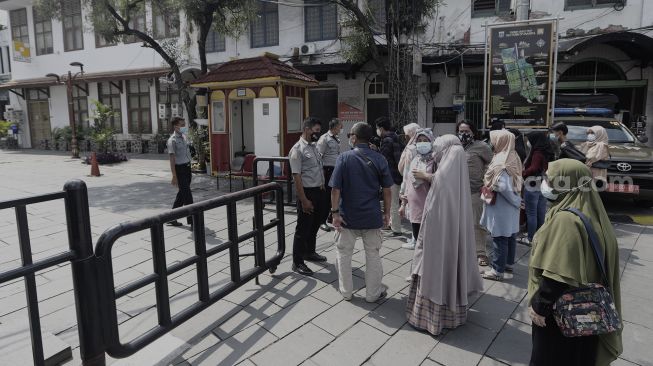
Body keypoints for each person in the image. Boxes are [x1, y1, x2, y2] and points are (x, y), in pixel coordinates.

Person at [528, 159, 622, 366]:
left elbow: (558, 274)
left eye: (550, 180)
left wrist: (540, 306)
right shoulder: (592, 212)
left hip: (562, 314)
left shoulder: (566, 220)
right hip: (586, 313)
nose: (545, 183)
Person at [406, 135, 483, 336]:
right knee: (451, 265)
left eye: (439, 152)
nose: (436, 156)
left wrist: (425, 176)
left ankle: (430, 319)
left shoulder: (447, 170)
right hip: (448, 230)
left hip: (438, 231)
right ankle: (453, 313)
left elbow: (438, 187)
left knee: (435, 265)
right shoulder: (455, 167)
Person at [330, 122, 394, 302]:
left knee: (343, 254)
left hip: (346, 217)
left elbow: (335, 190)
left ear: (354, 138)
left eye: (350, 134)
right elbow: (387, 190)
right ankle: (372, 295)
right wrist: (387, 213)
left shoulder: (344, 158)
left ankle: (346, 292)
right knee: (373, 255)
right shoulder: (379, 158)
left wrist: (335, 213)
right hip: (371, 215)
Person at [480, 130, 523, 281]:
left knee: (499, 237)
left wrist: (515, 201)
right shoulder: (513, 155)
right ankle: (508, 264)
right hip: (510, 206)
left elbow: (502, 186)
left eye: (494, 140)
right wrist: (517, 201)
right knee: (510, 235)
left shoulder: (501, 160)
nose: (492, 143)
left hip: (502, 205)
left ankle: (497, 270)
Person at [289, 117, 328, 276]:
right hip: (307, 193)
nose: (317, 134)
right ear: (307, 128)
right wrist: (304, 199)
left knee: (315, 224)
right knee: (303, 228)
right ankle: (297, 262)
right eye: (315, 131)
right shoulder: (297, 149)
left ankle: (309, 252)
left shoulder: (313, 147)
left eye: (319, 131)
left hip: (319, 191)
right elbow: (296, 177)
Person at [456, 121, 493, 266]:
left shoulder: (482, 147)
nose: (463, 134)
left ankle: (480, 253)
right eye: (460, 131)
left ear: (473, 132)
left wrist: (485, 181)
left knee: (476, 224)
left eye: (466, 131)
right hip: (457, 190)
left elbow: (491, 165)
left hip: (475, 191)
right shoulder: (456, 147)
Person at [399, 129, 435, 250]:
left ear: (431, 142)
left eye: (425, 140)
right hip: (415, 207)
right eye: (419, 140)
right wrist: (403, 203)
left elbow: (442, 180)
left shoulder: (436, 160)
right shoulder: (415, 159)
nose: (422, 143)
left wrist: (426, 176)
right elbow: (407, 181)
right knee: (417, 238)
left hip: (430, 207)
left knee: (429, 241)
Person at [522, 131, 555, 245]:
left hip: (532, 183)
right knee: (540, 211)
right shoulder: (547, 151)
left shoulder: (537, 153)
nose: (528, 143)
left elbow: (533, 168)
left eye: (529, 140)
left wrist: (523, 173)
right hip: (543, 182)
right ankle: (540, 236)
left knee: (531, 213)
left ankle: (531, 238)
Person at [375, 117, 404, 237]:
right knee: (394, 201)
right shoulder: (395, 137)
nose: (377, 131)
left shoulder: (387, 140)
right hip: (397, 174)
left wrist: (375, 151)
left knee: (392, 203)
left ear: (381, 128)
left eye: (377, 128)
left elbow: (384, 159)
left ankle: (396, 230)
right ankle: (392, 224)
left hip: (391, 175)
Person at [316, 118, 343, 232]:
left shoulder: (336, 138)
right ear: (334, 127)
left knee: (335, 195)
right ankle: (321, 221)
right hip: (327, 170)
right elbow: (318, 156)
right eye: (339, 126)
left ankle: (330, 216)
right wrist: (321, 173)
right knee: (327, 196)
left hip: (335, 169)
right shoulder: (324, 139)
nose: (341, 128)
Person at [167, 117, 194, 227]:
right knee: (188, 196)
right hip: (180, 169)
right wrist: (174, 176)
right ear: (175, 126)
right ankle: (193, 221)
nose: (184, 127)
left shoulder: (184, 136)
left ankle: (171, 217)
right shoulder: (172, 140)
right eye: (181, 125)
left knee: (182, 194)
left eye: (184, 124)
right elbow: (172, 160)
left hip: (187, 168)